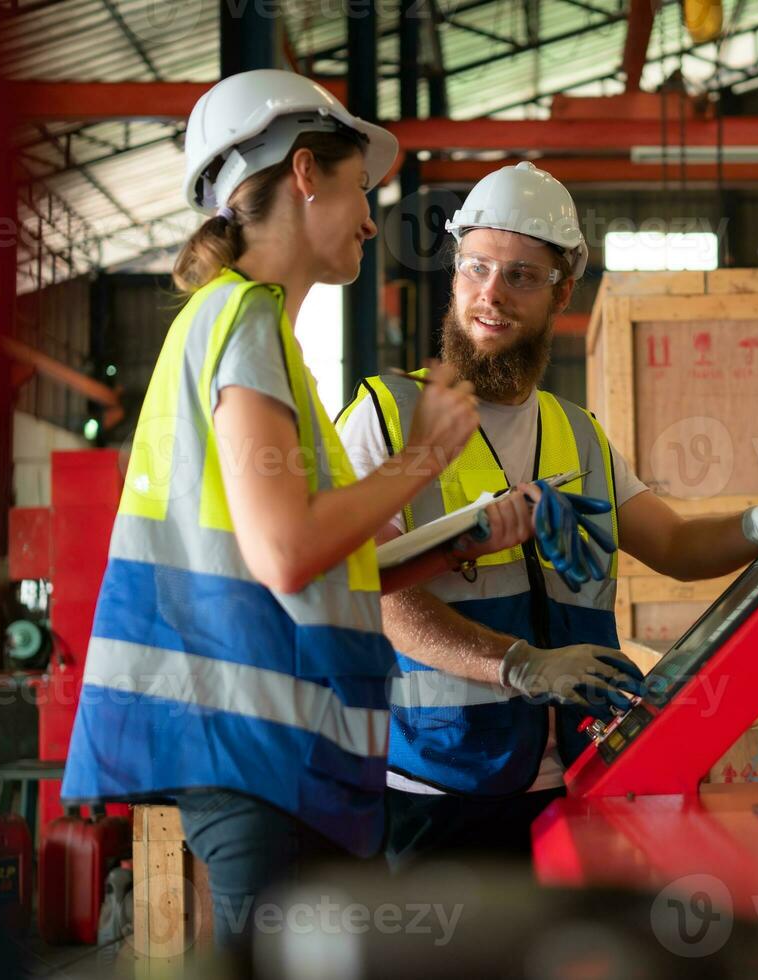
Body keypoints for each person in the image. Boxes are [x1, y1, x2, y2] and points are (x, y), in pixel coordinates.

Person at [59, 69, 499, 946]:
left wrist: (470, 532)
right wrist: (422, 459)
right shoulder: (246, 323)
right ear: (305, 171)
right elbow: (286, 552)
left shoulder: (246, 335)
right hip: (254, 748)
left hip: (264, 752)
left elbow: (325, 564)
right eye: (358, 190)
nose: (373, 220)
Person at [337, 161, 758, 867]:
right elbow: (377, 598)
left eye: (521, 276)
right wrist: (522, 666)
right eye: (476, 268)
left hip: (580, 774)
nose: (491, 295)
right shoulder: (384, 417)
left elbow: (679, 546)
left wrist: (755, 526)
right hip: (438, 785)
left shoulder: (579, 432)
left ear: (561, 290)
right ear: (453, 275)